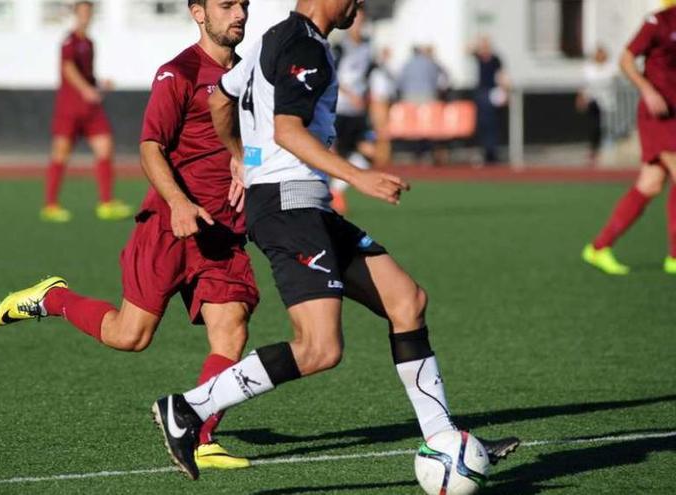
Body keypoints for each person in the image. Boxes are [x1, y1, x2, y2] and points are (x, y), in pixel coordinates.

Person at [150, 0, 520, 481]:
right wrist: (357, 177)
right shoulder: (303, 44)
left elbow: (221, 97)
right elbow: (287, 130)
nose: (360, 5)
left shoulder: (276, 38)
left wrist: (240, 156)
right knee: (320, 347)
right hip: (289, 210)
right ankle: (190, 408)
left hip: (305, 207)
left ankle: (442, 436)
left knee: (407, 301)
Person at [0, 0, 258, 469]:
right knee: (129, 336)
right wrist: (178, 202)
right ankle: (51, 298)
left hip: (222, 231)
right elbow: (149, 148)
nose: (238, 13)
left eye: (244, 4)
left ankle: (199, 436)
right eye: (226, 5)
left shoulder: (252, 73)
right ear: (198, 13)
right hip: (169, 226)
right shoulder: (176, 73)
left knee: (231, 331)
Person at [582, 6, 676, 275]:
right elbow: (626, 59)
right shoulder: (660, 20)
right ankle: (675, 256)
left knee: (651, 184)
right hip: (658, 114)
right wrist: (647, 91)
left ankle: (599, 247)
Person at [42, 1, 133, 222]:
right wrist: (86, 90)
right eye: (82, 13)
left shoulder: (90, 43)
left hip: (90, 108)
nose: (85, 17)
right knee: (61, 153)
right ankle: (51, 205)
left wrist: (100, 84)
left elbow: (87, 74)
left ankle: (106, 203)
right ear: (75, 15)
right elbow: (69, 68)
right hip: (69, 107)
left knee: (105, 146)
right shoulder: (69, 41)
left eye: (88, 13)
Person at [329, 6, 374, 214]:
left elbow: (368, 76)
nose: (358, 25)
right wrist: (351, 95)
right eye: (355, 20)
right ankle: (329, 195)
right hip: (340, 110)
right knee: (334, 156)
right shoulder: (340, 48)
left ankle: (336, 190)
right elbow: (331, 76)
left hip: (359, 112)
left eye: (362, 21)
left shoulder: (367, 47)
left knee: (369, 154)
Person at [576, 46, 618, 167]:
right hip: (593, 100)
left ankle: (607, 149)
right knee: (595, 126)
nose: (599, 56)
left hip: (608, 102)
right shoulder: (589, 69)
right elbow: (583, 85)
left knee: (607, 125)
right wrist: (580, 98)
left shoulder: (611, 69)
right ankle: (594, 150)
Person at [471, 36, 509, 165]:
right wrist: (478, 43)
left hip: (492, 93)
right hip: (482, 93)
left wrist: (504, 91)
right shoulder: (479, 57)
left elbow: (501, 75)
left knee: (492, 124)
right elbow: (467, 49)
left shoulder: (495, 59)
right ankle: (485, 151)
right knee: (482, 124)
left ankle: (492, 152)